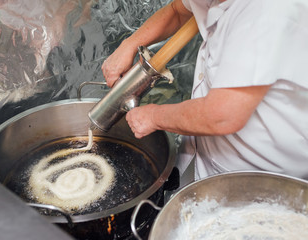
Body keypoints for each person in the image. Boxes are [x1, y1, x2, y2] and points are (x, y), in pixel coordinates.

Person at [101, 0, 308, 181]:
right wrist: (129, 45)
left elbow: (221, 115)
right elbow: (177, 11)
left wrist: (153, 117)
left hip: (260, 175)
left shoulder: (266, 11)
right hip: (212, 156)